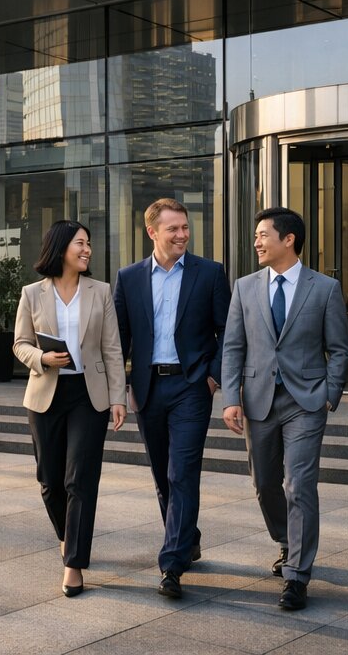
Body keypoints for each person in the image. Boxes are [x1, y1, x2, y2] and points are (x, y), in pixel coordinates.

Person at [221, 207, 348, 611]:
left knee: (298, 484)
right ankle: (286, 540)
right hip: (258, 399)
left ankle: (297, 575)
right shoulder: (244, 287)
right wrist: (230, 398)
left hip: (306, 401)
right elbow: (233, 347)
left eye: (262, 235)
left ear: (288, 239)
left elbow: (340, 348)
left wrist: (330, 392)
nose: (256, 242)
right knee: (264, 484)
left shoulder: (324, 288)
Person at [113, 198, 230, 599]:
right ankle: (188, 536)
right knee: (163, 474)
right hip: (148, 388)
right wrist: (122, 386)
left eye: (184, 227)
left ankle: (172, 564)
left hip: (191, 387)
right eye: (173, 229)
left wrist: (213, 378)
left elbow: (226, 332)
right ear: (152, 233)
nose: (182, 234)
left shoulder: (210, 273)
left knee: (182, 471)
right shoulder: (128, 278)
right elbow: (119, 340)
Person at [12, 220, 127, 598]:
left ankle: (74, 563)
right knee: (49, 480)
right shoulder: (32, 293)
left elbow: (112, 348)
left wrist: (117, 398)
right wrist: (42, 357)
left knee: (80, 479)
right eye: (81, 243)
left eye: (89, 244)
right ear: (61, 247)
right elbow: (20, 344)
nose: (87, 249)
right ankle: (67, 536)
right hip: (46, 393)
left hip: (87, 395)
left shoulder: (101, 291)